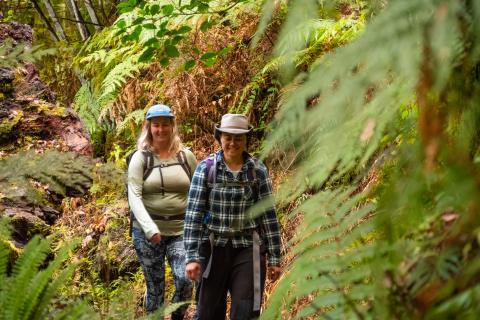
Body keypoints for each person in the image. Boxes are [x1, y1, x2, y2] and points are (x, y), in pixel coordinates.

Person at [184, 113, 282, 320]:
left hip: (248, 249)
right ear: (220, 138)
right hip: (213, 249)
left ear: (247, 139)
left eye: (239, 138)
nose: (233, 143)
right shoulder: (206, 169)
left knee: (246, 311)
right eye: (228, 137)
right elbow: (193, 215)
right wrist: (191, 256)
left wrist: (274, 257)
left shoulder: (257, 171)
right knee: (208, 313)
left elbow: (268, 215)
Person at [128, 104, 196, 318]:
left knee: (185, 280)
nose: (160, 130)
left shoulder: (186, 157)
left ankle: (176, 316)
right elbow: (134, 196)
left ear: (172, 126)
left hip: (181, 231)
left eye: (164, 125)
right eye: (156, 125)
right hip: (147, 234)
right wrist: (149, 228)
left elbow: (200, 190)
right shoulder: (141, 158)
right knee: (155, 289)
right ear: (149, 128)